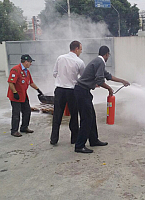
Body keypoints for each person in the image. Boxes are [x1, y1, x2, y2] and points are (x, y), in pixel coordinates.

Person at [74, 45, 130, 153]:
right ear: (107, 54)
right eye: (108, 55)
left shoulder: (98, 61)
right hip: (82, 91)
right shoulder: (100, 62)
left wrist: (122, 81)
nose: (108, 56)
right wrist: (109, 89)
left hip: (83, 91)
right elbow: (100, 80)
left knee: (92, 117)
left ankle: (93, 140)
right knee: (86, 119)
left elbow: (107, 76)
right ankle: (79, 146)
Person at [50, 41, 85, 145]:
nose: (81, 51)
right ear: (76, 49)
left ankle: (54, 139)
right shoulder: (79, 62)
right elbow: (82, 78)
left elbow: (54, 73)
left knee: (57, 115)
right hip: (72, 91)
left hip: (59, 90)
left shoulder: (60, 58)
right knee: (74, 115)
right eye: (81, 49)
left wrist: (62, 79)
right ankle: (74, 139)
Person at [7, 54, 43, 137]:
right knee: (16, 114)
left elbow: (31, 82)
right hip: (16, 96)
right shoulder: (16, 69)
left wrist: (38, 90)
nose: (31, 64)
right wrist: (15, 92)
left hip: (23, 95)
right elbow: (11, 82)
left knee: (27, 111)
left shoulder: (26, 71)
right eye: (30, 62)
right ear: (26, 62)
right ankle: (14, 131)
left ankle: (24, 127)